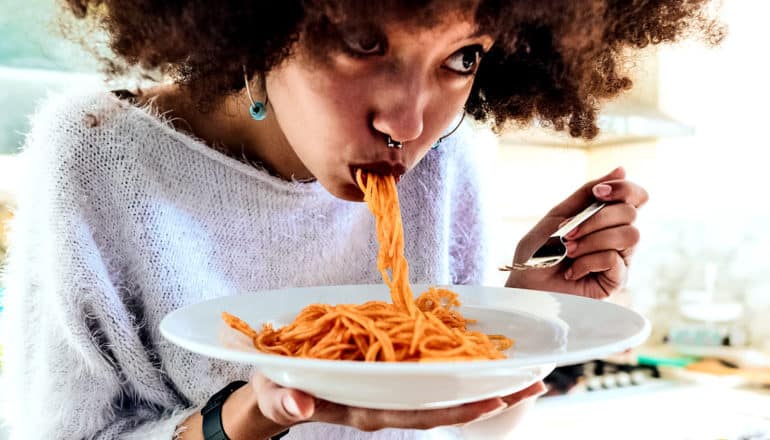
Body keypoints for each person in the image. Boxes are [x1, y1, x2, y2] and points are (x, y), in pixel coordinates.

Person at [0, 1, 721, 439]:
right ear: (261, 23)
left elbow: (464, 431)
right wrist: (249, 418)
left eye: (460, 58)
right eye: (363, 43)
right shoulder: (97, 158)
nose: (408, 121)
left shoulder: (448, 156)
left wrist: (522, 324)